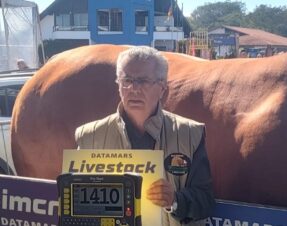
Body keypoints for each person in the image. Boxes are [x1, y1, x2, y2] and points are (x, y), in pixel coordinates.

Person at [75, 46, 215, 226]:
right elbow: (77, 202)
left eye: (142, 81)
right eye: (126, 80)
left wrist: (175, 200)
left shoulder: (190, 133)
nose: (133, 88)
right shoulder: (90, 136)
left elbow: (206, 200)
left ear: (163, 87)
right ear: (118, 84)